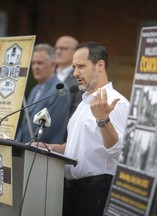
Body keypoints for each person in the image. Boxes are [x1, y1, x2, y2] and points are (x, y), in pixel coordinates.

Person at [40, 42, 130, 216]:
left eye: (81, 66)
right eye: (74, 67)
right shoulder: (84, 102)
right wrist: (50, 148)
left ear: (100, 65)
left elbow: (119, 151)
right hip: (70, 189)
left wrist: (103, 120)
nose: (75, 73)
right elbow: (80, 145)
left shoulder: (116, 102)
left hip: (96, 190)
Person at [16, 43, 71, 144]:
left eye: (40, 63)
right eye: (33, 63)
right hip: (24, 150)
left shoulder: (61, 89)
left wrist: (28, 145)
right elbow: (24, 124)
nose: (36, 67)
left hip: (42, 152)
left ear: (52, 65)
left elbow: (50, 127)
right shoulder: (35, 90)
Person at [55, 35, 83, 116]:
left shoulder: (80, 79)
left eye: (64, 48)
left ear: (76, 52)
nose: (58, 52)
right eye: (56, 48)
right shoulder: (48, 76)